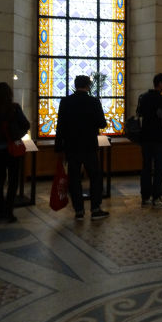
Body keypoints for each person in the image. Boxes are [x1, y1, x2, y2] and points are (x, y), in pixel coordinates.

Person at [55, 75, 109, 221]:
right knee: (95, 177)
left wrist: (58, 148)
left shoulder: (66, 102)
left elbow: (60, 126)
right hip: (89, 146)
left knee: (74, 179)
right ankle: (95, 209)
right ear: (88, 86)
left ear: (75, 85)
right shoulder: (93, 102)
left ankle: (79, 211)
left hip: (71, 147)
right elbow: (102, 123)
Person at [0, 82, 30, 223]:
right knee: (13, 180)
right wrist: (16, 134)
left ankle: (0, 210)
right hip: (12, 148)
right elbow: (26, 124)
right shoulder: (14, 108)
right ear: (10, 94)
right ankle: (9, 210)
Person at [137, 73, 162, 207]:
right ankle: (156, 197)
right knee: (159, 169)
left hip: (145, 137)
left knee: (146, 168)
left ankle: (145, 197)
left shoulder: (143, 97)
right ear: (160, 84)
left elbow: (139, 113)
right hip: (158, 137)